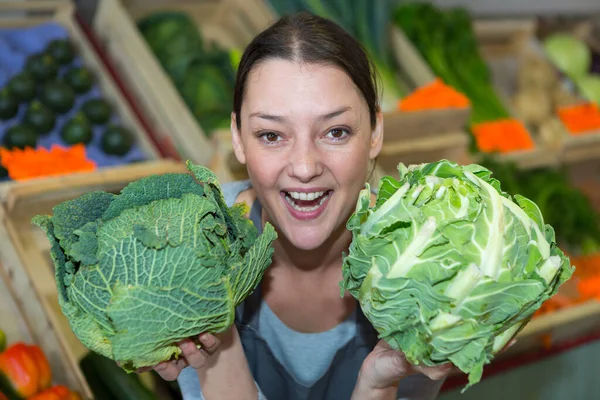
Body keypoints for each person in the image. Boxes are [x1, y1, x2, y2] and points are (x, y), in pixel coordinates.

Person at [143, 12, 453, 400]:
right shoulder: (183, 248)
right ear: (238, 138)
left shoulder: (430, 259)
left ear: (375, 133)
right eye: (271, 135)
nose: (305, 167)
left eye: (335, 131)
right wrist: (212, 347)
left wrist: (380, 381)